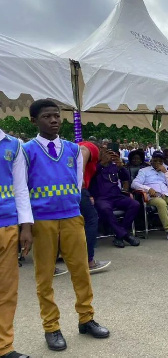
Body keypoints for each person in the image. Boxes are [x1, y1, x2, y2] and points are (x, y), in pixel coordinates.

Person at [23, 100, 110, 352]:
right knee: (45, 276)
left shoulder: (73, 149)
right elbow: (22, 186)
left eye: (56, 116)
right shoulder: (26, 150)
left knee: (81, 270)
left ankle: (86, 318)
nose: (54, 120)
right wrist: (26, 224)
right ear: (34, 121)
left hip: (72, 216)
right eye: (47, 116)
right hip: (42, 220)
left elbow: (78, 182)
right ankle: (51, 327)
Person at [0, 128, 33, 358]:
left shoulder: (14, 145)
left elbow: (21, 187)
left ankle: (4, 347)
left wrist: (26, 225)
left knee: (7, 290)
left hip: (7, 224)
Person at [91, 148, 141, 248]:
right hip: (101, 198)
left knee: (135, 204)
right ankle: (125, 235)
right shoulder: (95, 166)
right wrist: (102, 163)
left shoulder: (114, 166)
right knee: (105, 209)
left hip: (116, 196)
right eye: (105, 153)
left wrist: (121, 167)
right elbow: (90, 175)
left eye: (110, 153)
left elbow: (125, 178)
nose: (108, 156)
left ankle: (119, 236)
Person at [77, 139, 111, 273]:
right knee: (91, 220)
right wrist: (80, 182)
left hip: (65, 190)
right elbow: (83, 151)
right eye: (105, 149)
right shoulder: (91, 147)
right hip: (78, 189)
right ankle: (89, 261)